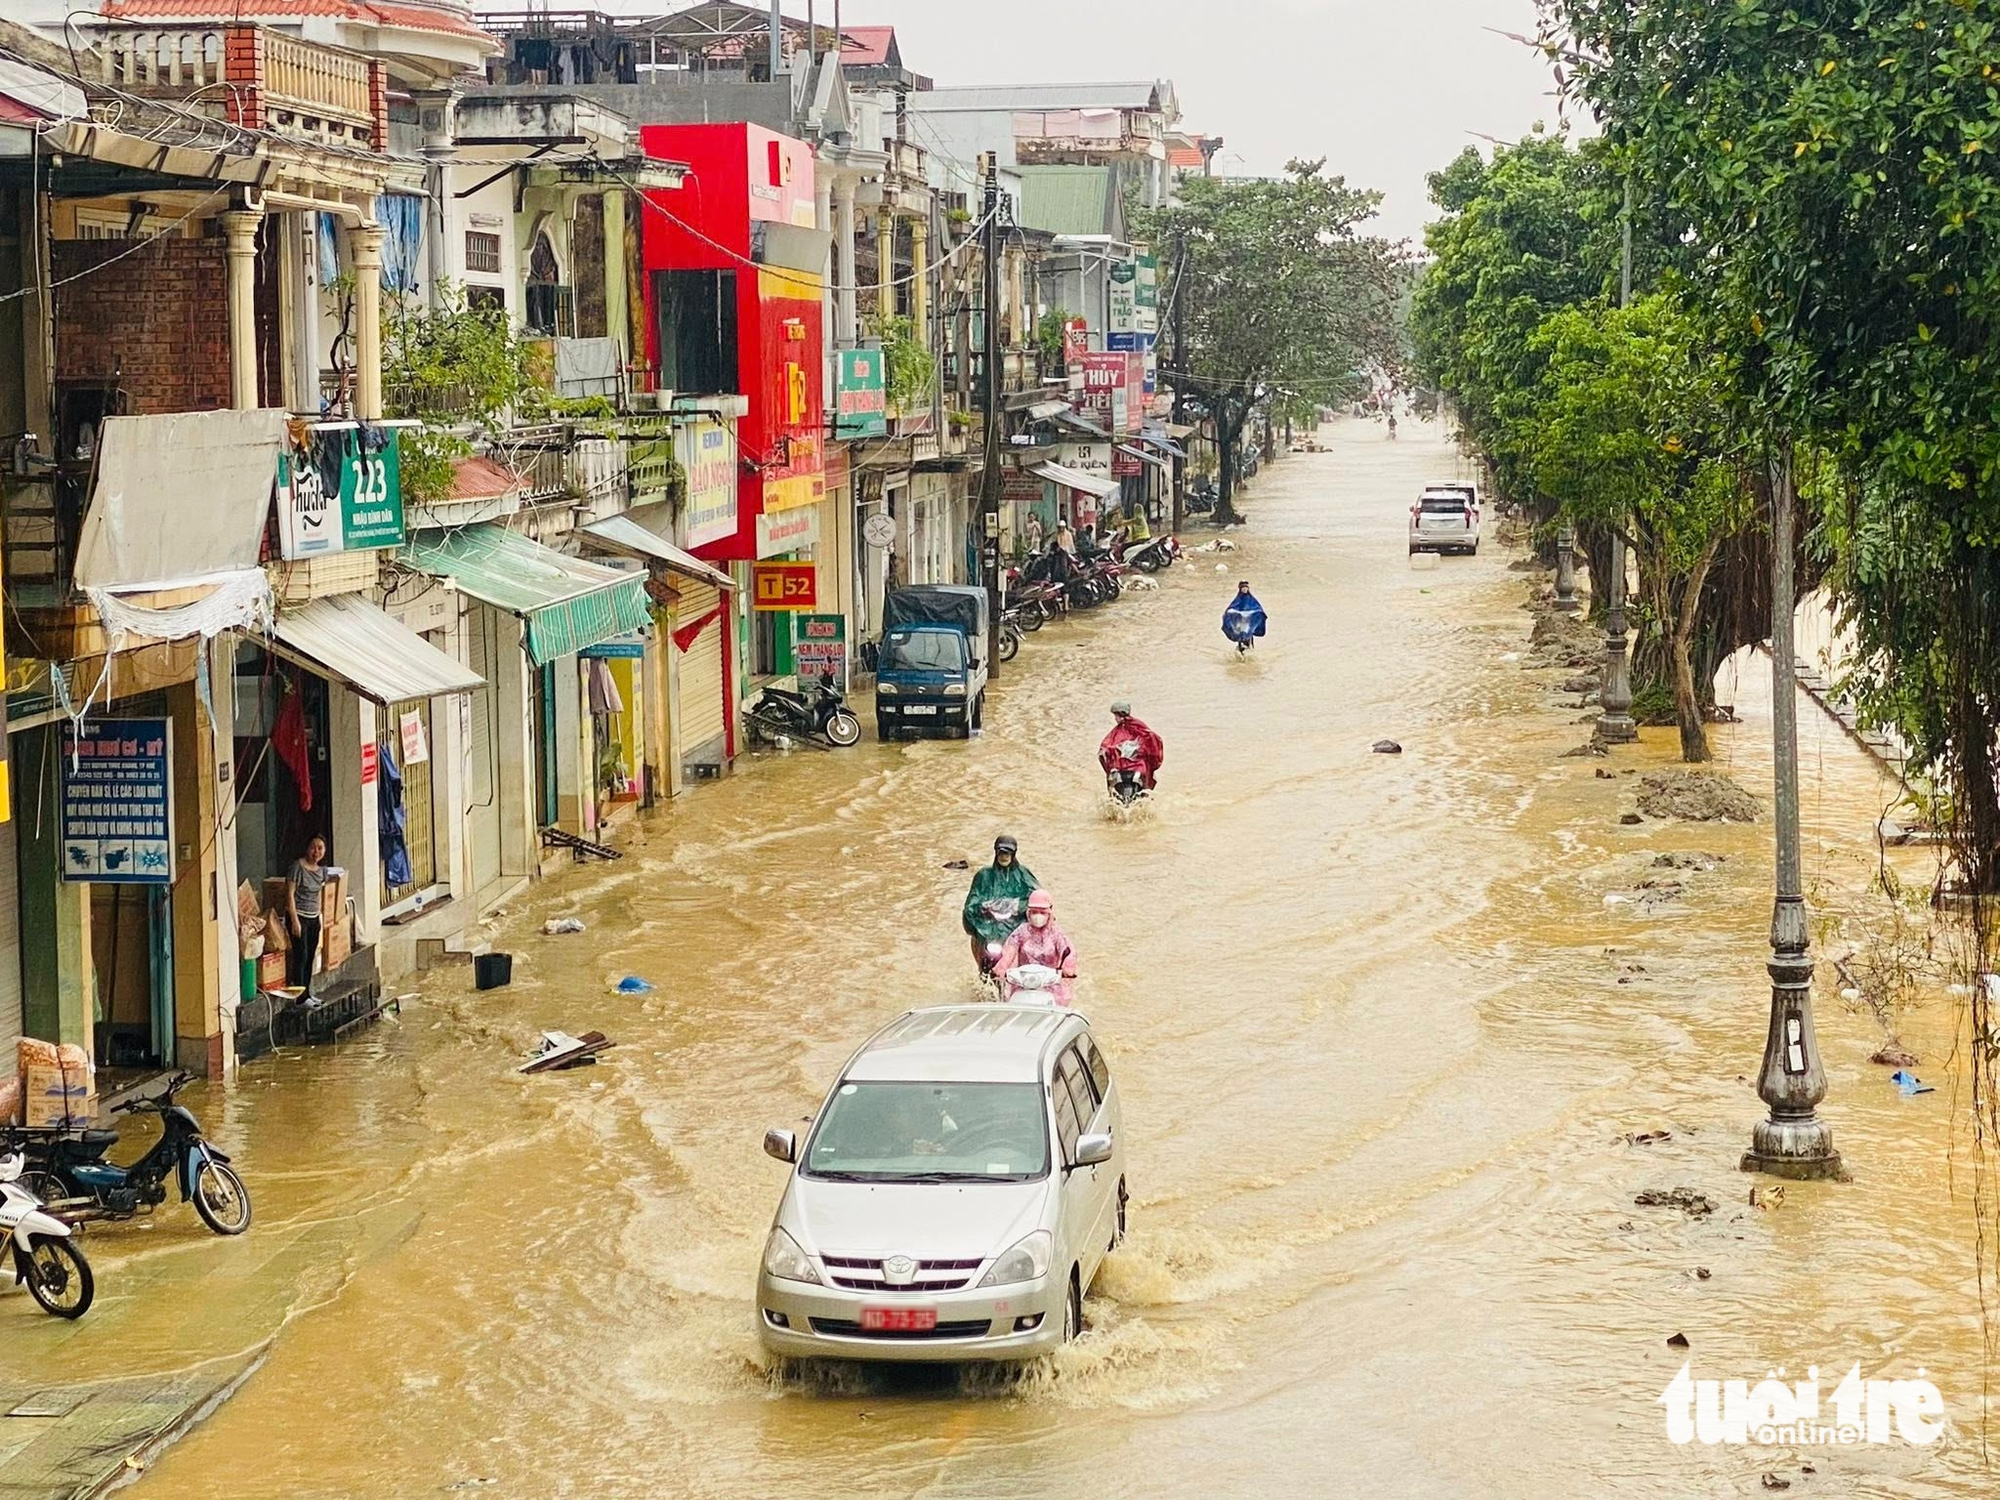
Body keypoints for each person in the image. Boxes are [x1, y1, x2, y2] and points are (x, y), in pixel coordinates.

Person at [962, 835, 1038, 972]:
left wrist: (1015, 906)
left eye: (1008, 853)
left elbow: (1038, 899)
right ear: (996, 852)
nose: (1004, 856)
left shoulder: (1023, 874)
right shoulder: (984, 875)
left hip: (1017, 927)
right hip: (990, 931)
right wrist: (985, 908)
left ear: (1014, 854)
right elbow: (970, 906)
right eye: (1002, 852)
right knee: (986, 962)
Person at [995, 890, 1078, 1006]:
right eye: (1034, 912)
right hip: (1023, 983)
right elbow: (1009, 950)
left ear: (1049, 912)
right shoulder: (1021, 931)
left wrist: (1067, 969)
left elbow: (1069, 952)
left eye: (1042, 912)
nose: (1037, 916)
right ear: (1028, 912)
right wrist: (1002, 967)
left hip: (1050, 985)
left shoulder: (1056, 934)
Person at [286, 835, 329, 992]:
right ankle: (299, 995)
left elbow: (319, 894)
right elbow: (289, 894)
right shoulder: (297, 867)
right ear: (307, 848)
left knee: (310, 955)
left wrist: (320, 916)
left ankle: (307, 992)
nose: (316, 852)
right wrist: (294, 920)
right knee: (301, 955)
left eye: (320, 848)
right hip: (299, 917)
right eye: (313, 847)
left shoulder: (322, 871)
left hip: (313, 918)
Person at [1099, 700, 1165, 791]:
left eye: (1116, 716)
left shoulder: (1136, 725)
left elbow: (1150, 738)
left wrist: (1141, 750)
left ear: (1120, 715)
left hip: (1137, 764)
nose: (1115, 719)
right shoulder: (1121, 729)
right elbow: (1109, 743)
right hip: (1123, 766)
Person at [1223, 580, 1268, 651]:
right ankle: (1241, 657)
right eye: (1243, 587)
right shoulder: (1237, 600)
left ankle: (1249, 657)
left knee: (1249, 642)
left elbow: (1258, 609)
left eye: (1246, 587)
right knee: (1241, 641)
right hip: (1240, 625)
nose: (1244, 589)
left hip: (1248, 625)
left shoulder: (1252, 600)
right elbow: (1230, 610)